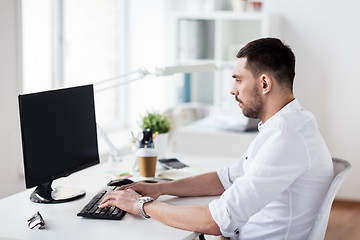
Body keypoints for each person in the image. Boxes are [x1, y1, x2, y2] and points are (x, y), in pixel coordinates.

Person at [99, 38, 334, 239]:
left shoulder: (287, 137)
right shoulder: (285, 126)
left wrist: (141, 206)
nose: (232, 90)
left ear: (264, 83)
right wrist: (160, 189)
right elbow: (227, 178)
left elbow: (217, 221)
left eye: (238, 79)